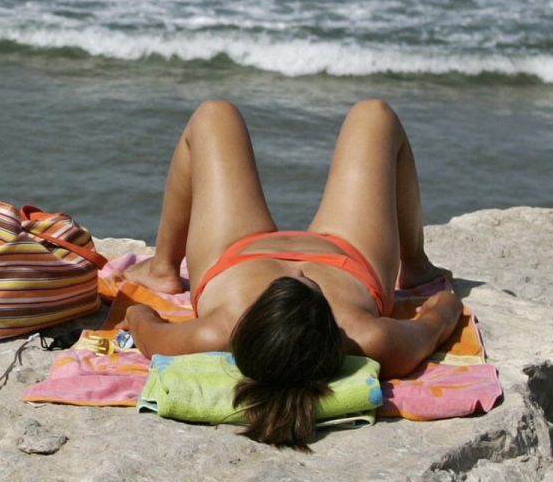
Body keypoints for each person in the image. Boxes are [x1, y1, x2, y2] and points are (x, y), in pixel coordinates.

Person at [121, 99, 462, 450]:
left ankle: (163, 268)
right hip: (347, 252)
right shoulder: (369, 338)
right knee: (375, 114)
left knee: (213, 115)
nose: (297, 269)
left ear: (250, 322)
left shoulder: (216, 332)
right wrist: (444, 303)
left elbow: (146, 329)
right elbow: (437, 321)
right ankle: (416, 264)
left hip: (234, 252)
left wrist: (135, 312)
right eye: (308, 283)